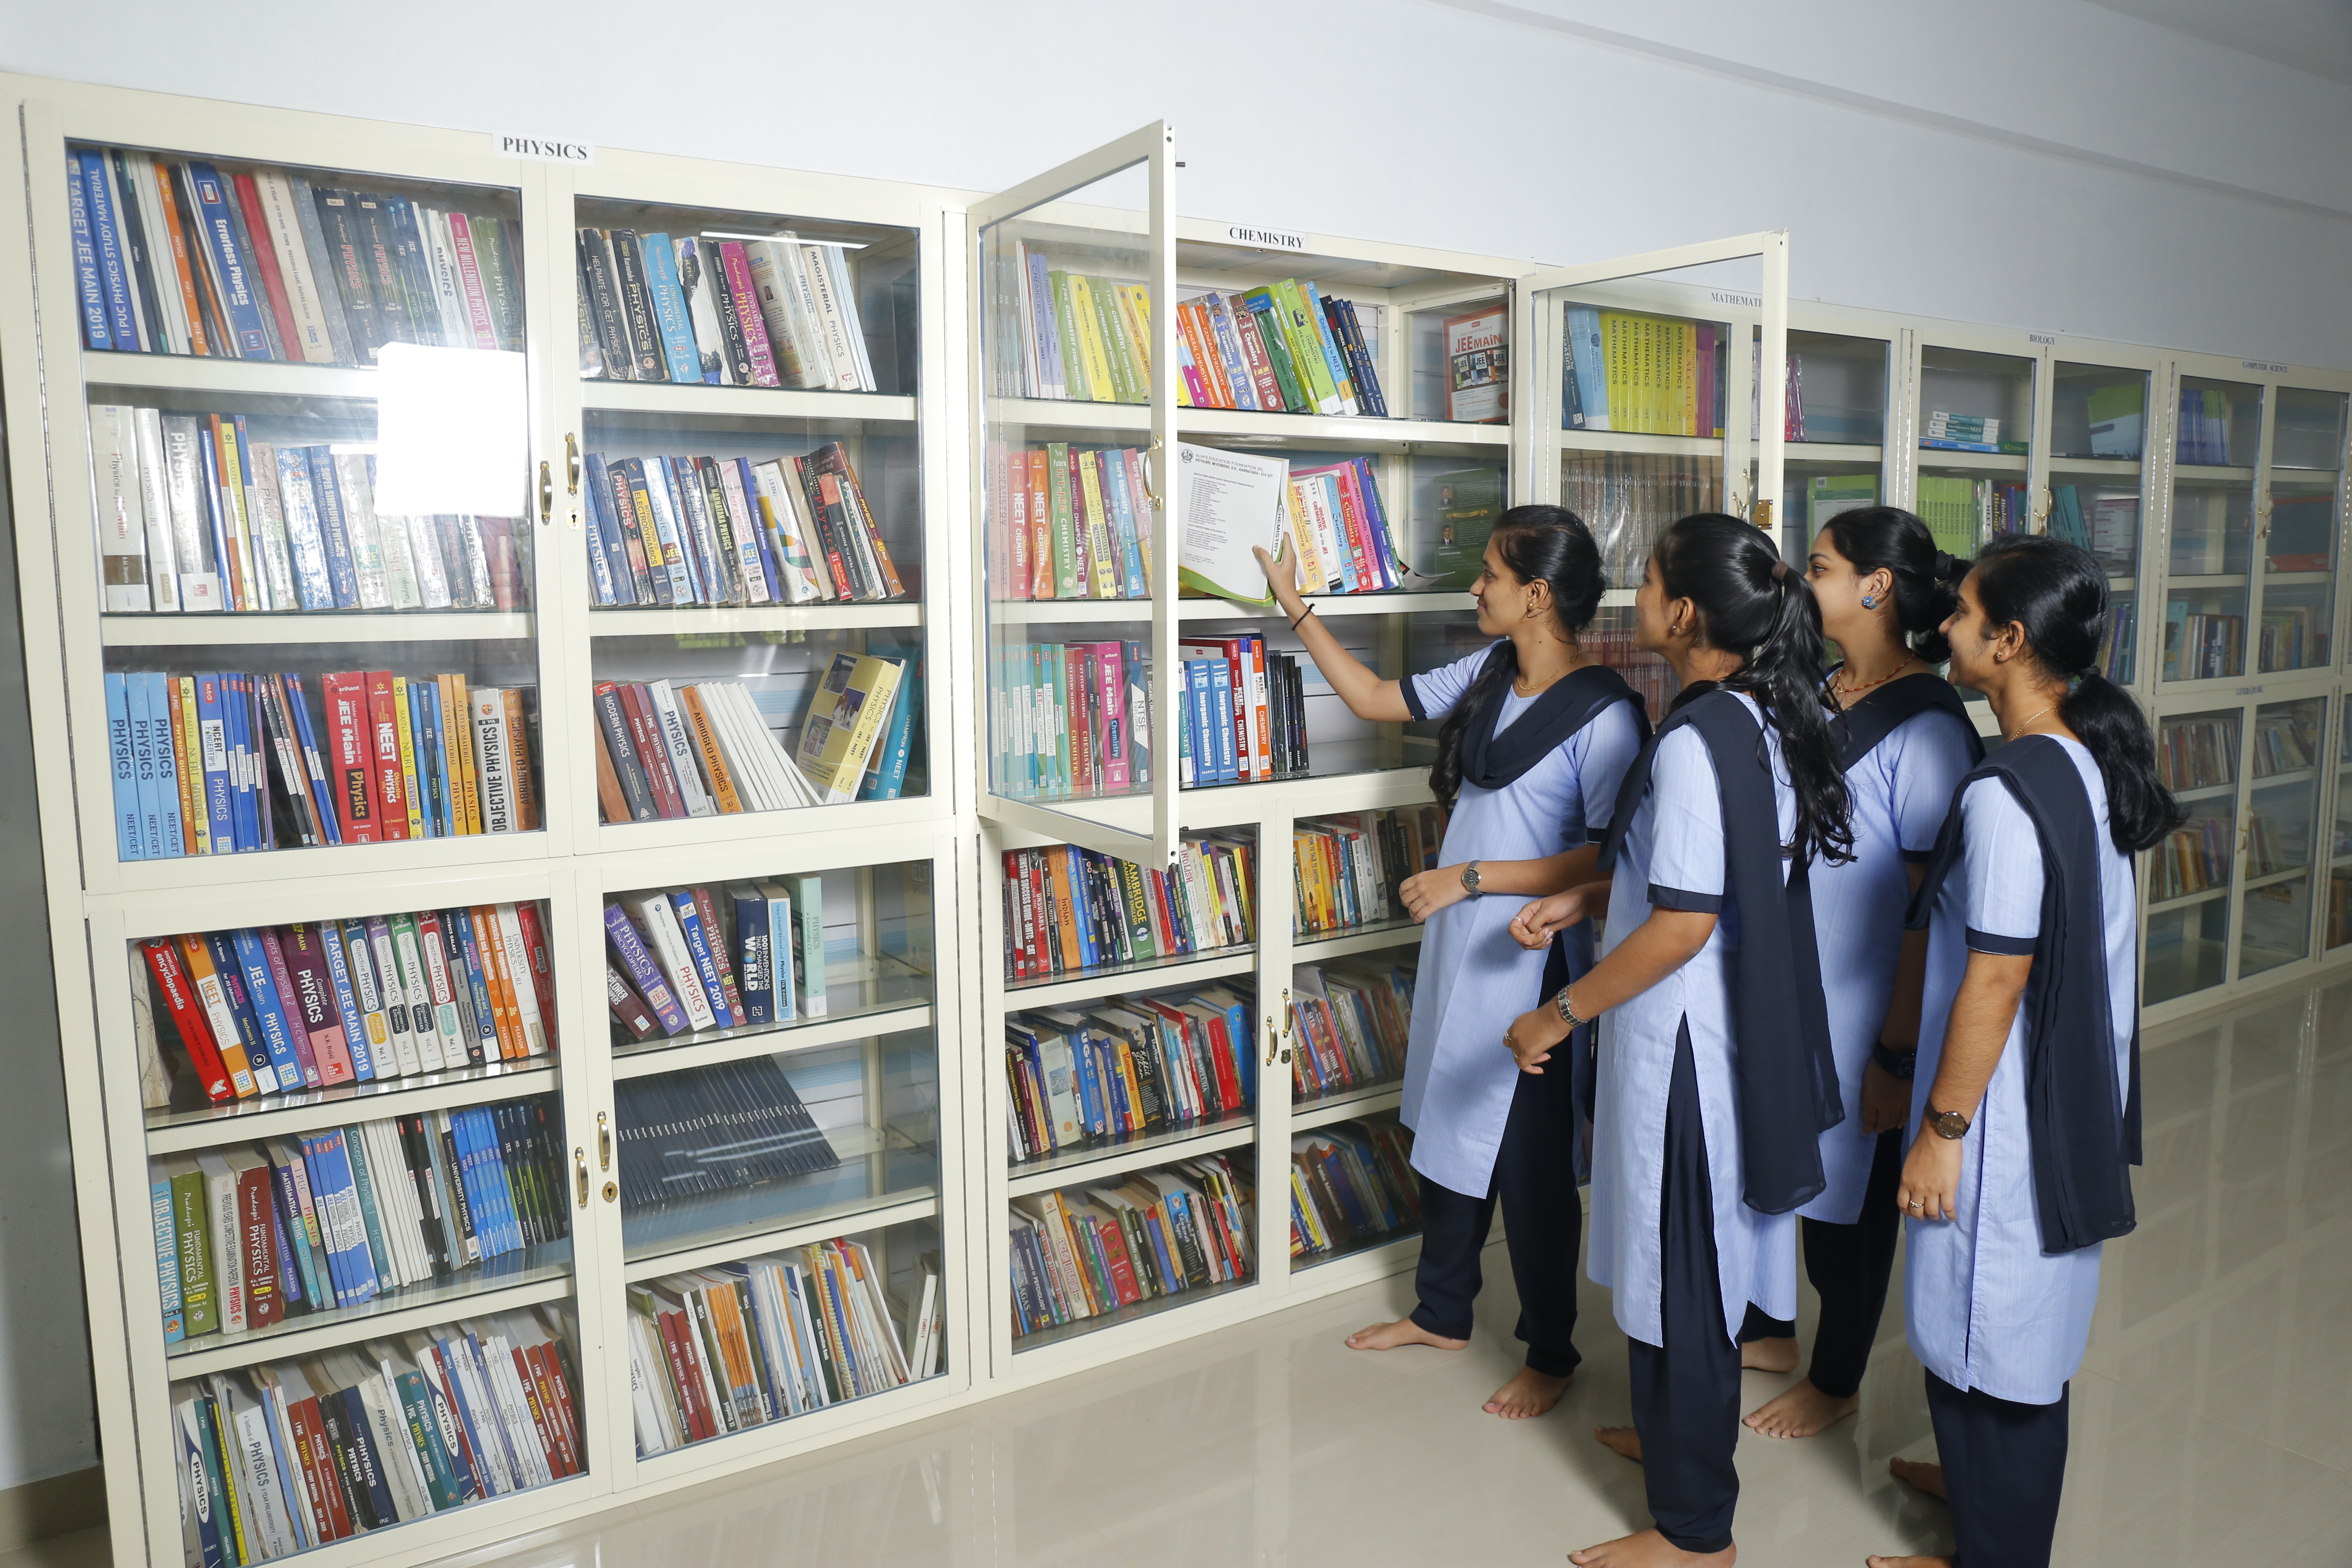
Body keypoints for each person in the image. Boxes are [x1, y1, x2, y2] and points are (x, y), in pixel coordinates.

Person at [1504, 513, 1851, 1566]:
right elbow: (1690, 876)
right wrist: (1589, 899)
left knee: (1684, 1277)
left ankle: (1697, 1532)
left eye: (1648, 581)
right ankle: (1671, 1447)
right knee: (1680, 1263)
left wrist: (1557, 1011)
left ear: (1686, 612)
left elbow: (1685, 922)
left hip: (1685, 1045)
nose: (1634, 596)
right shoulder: (1751, 712)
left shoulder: (1700, 739)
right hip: (1712, 1028)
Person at [1250, 505, 1645, 1420]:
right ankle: (1443, 1312)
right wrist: (1298, 609)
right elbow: (1374, 699)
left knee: (1533, 1161)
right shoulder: (1491, 670)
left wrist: (1470, 879)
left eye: (1491, 577)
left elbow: (1604, 860)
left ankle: (1552, 1348)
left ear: (1537, 594)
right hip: (1458, 939)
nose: (1476, 589)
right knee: (1442, 1118)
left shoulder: (1608, 715)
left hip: (1533, 951)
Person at [1868, 536, 2181, 1568]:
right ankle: (1977, 1502)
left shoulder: (2006, 797)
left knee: (1989, 1349)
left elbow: (1996, 976)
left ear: (2007, 641)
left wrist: (1941, 1134)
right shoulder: (2071, 760)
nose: (1942, 627)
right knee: (2014, 1343)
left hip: (2001, 1121)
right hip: (2052, 1097)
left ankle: (1996, 1552)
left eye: (1960, 613)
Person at [1738, 510, 1983, 1439]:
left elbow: (1928, 910)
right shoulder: (1823, 683)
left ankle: (1836, 1380)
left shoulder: (1929, 728)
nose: (1807, 580)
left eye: (1822, 565)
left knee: (1849, 1206)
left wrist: (1896, 1052)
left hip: (1862, 1002)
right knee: (1787, 1176)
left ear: (1877, 584)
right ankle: (1770, 1331)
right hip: (1792, 983)